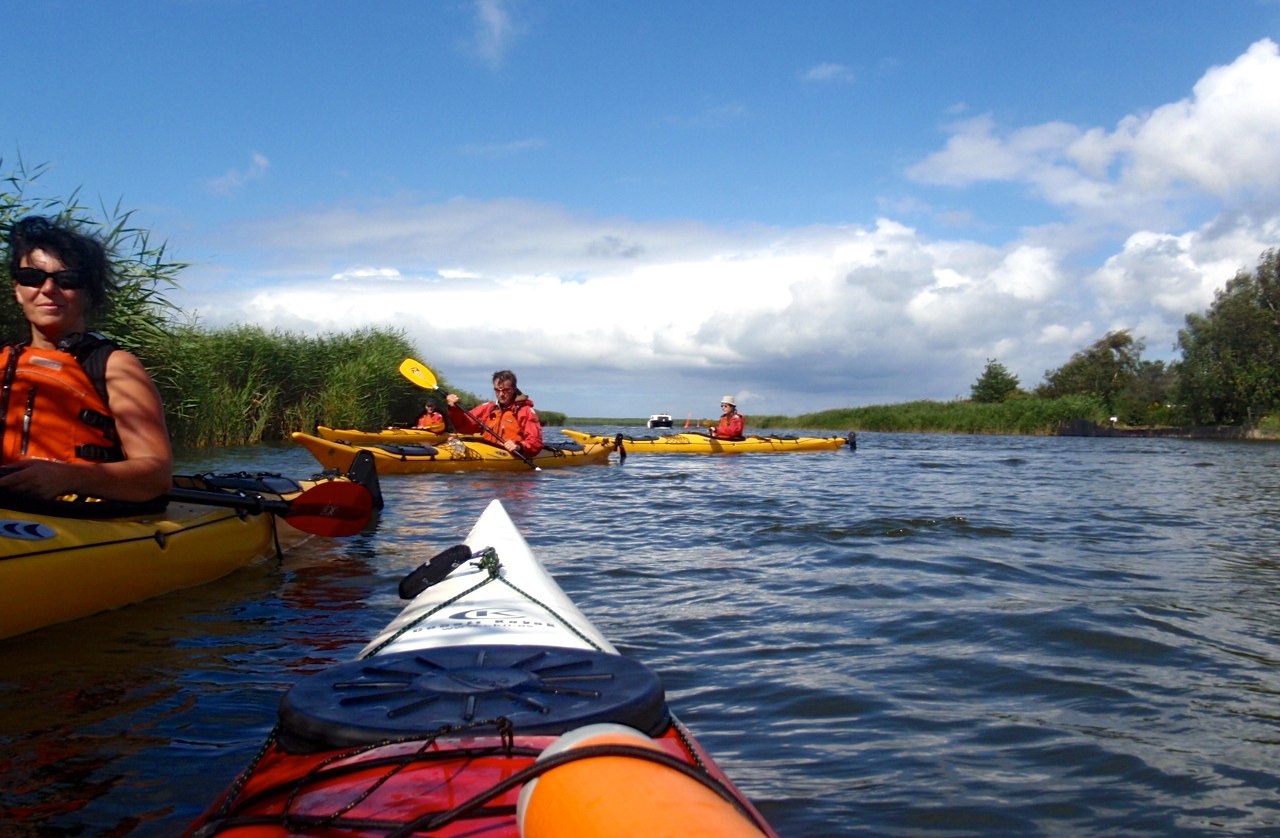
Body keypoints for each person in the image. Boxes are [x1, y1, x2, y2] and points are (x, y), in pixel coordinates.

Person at [0, 216, 172, 502]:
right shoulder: (5, 362)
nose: (48, 290)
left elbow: (156, 476)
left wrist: (68, 478)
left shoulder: (113, 366)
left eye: (67, 280)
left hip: (78, 516)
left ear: (88, 292)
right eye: (32, 277)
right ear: (17, 289)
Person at [444, 369, 543, 458]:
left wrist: (519, 446)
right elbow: (464, 426)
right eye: (497, 390)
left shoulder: (524, 411)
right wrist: (454, 409)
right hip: (488, 452)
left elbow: (535, 442)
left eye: (505, 390)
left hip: (513, 456)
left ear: (513, 389)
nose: (501, 394)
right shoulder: (488, 408)